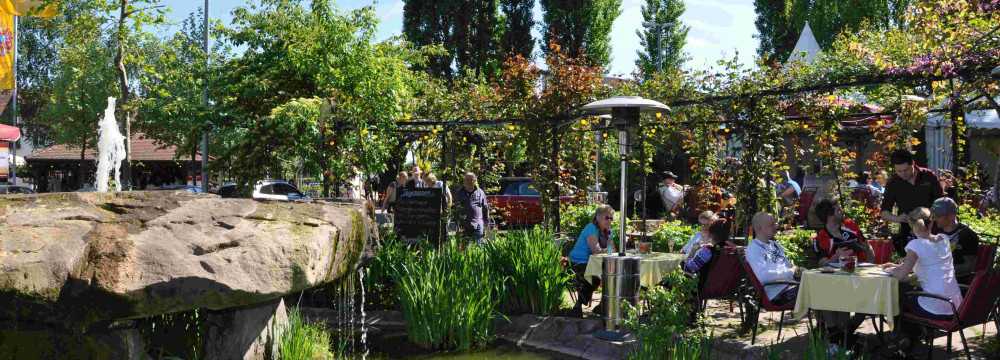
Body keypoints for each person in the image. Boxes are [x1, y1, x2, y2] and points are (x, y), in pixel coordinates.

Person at [883, 207, 963, 354]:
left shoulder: (916, 245)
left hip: (936, 307)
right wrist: (897, 266)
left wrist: (890, 271)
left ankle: (900, 337)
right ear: (931, 223)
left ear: (912, 226)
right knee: (907, 292)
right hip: (956, 307)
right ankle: (912, 335)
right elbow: (930, 263)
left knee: (898, 292)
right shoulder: (943, 239)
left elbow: (901, 276)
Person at [881, 149, 944, 256]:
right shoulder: (893, 183)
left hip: (933, 229)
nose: (902, 174)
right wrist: (898, 218)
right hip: (909, 232)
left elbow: (942, 202)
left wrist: (928, 215)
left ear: (913, 164)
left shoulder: (928, 176)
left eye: (906, 170)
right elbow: (884, 212)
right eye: (899, 171)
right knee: (911, 266)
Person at [568, 205, 616, 317]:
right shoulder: (591, 228)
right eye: (606, 217)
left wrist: (608, 243)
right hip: (578, 262)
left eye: (611, 218)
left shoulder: (608, 232)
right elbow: (596, 250)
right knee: (594, 277)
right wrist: (607, 250)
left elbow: (613, 250)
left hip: (594, 263)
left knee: (612, 275)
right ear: (598, 217)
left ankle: (602, 305)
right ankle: (577, 306)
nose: (609, 220)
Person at [746, 212, 800, 306]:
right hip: (776, 294)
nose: (776, 226)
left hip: (789, 286)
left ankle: (825, 321)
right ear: (759, 228)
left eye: (775, 223)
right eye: (771, 224)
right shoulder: (753, 249)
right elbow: (763, 277)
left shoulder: (774, 245)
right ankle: (826, 320)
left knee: (822, 286)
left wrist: (798, 270)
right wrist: (791, 272)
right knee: (818, 291)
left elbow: (788, 266)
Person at [930, 197, 980, 284]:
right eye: (933, 215)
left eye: (938, 216)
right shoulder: (935, 231)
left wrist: (942, 270)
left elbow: (970, 266)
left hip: (956, 284)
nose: (934, 219)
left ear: (951, 216)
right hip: (934, 280)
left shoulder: (967, 235)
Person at [813, 199, 875, 266]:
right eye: (839, 210)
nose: (842, 211)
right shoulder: (821, 237)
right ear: (830, 215)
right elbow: (822, 263)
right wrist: (837, 256)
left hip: (859, 270)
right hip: (836, 275)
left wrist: (869, 265)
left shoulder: (850, 225)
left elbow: (868, 248)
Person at [453, 172, 490, 243]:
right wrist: (457, 224)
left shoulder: (480, 192)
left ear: (475, 181)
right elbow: (456, 209)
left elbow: (485, 207)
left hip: (478, 224)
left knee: (478, 246)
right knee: (464, 248)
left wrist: (486, 222)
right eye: (467, 179)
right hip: (464, 225)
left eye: (471, 180)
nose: (469, 182)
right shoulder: (459, 193)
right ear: (464, 181)